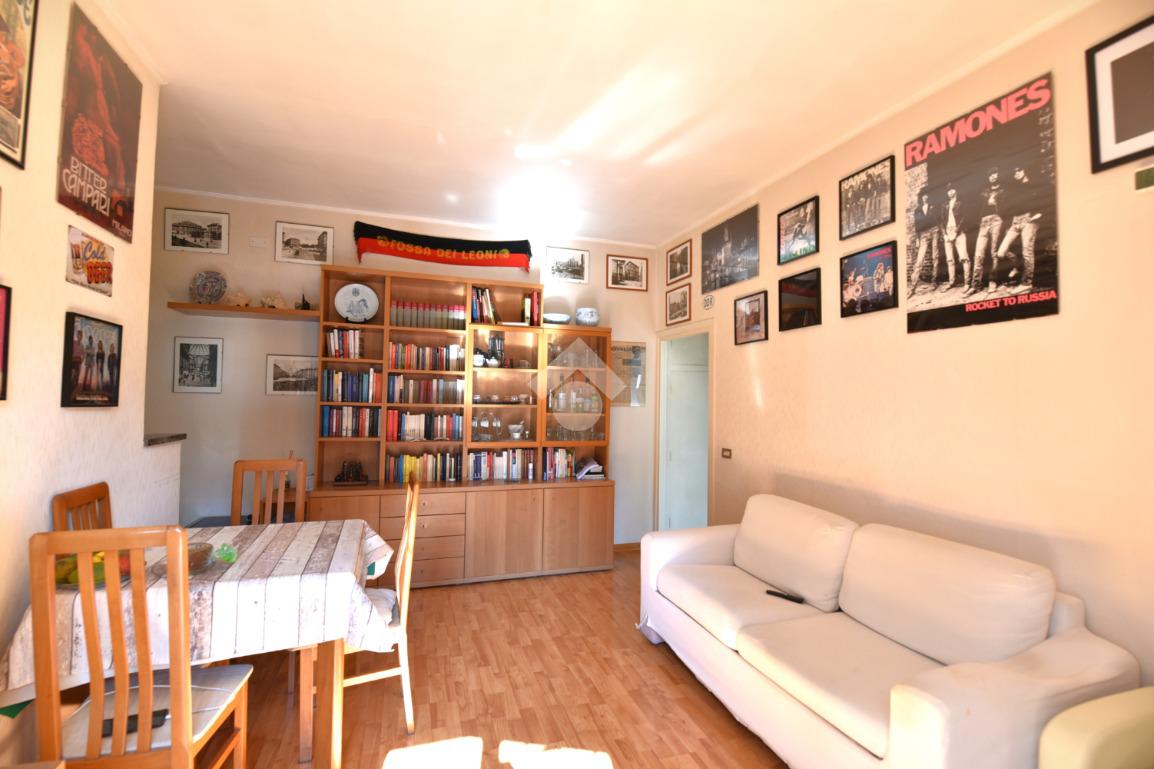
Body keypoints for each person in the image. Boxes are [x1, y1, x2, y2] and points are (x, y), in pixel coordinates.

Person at [995, 165, 1043, 294]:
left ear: (1024, 170)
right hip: (1016, 221)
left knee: (1027, 252)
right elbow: (1011, 207)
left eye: (1019, 170)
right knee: (1001, 252)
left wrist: (1039, 214)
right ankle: (1018, 267)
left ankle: (1026, 283)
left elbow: (1044, 199)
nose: (1016, 173)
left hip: (1029, 220)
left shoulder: (1033, 184)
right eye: (1014, 172)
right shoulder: (1015, 189)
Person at [972, 167, 1005, 295]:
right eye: (991, 175)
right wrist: (979, 219)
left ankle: (993, 281)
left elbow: (1007, 206)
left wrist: (997, 205)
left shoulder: (1003, 190)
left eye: (995, 174)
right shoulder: (984, 191)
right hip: (984, 221)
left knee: (994, 252)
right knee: (978, 254)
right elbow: (978, 206)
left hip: (996, 220)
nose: (993, 176)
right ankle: (975, 284)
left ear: (999, 176)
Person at [908, 189, 943, 297]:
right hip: (923, 234)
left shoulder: (934, 206)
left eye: (927, 195)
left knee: (935, 256)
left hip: (934, 230)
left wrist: (940, 230)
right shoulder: (917, 210)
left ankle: (934, 281)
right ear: (921, 197)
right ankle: (913, 287)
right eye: (923, 195)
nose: (925, 197)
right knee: (919, 260)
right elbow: (916, 225)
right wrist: (917, 239)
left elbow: (939, 218)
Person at [940, 184, 972, 295]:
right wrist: (944, 234)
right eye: (948, 190)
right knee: (949, 259)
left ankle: (967, 283)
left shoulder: (961, 203)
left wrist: (956, 231)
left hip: (959, 231)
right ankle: (951, 282)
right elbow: (942, 221)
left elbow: (964, 218)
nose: (950, 192)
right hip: (948, 232)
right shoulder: (944, 205)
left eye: (952, 189)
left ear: (956, 190)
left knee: (964, 258)